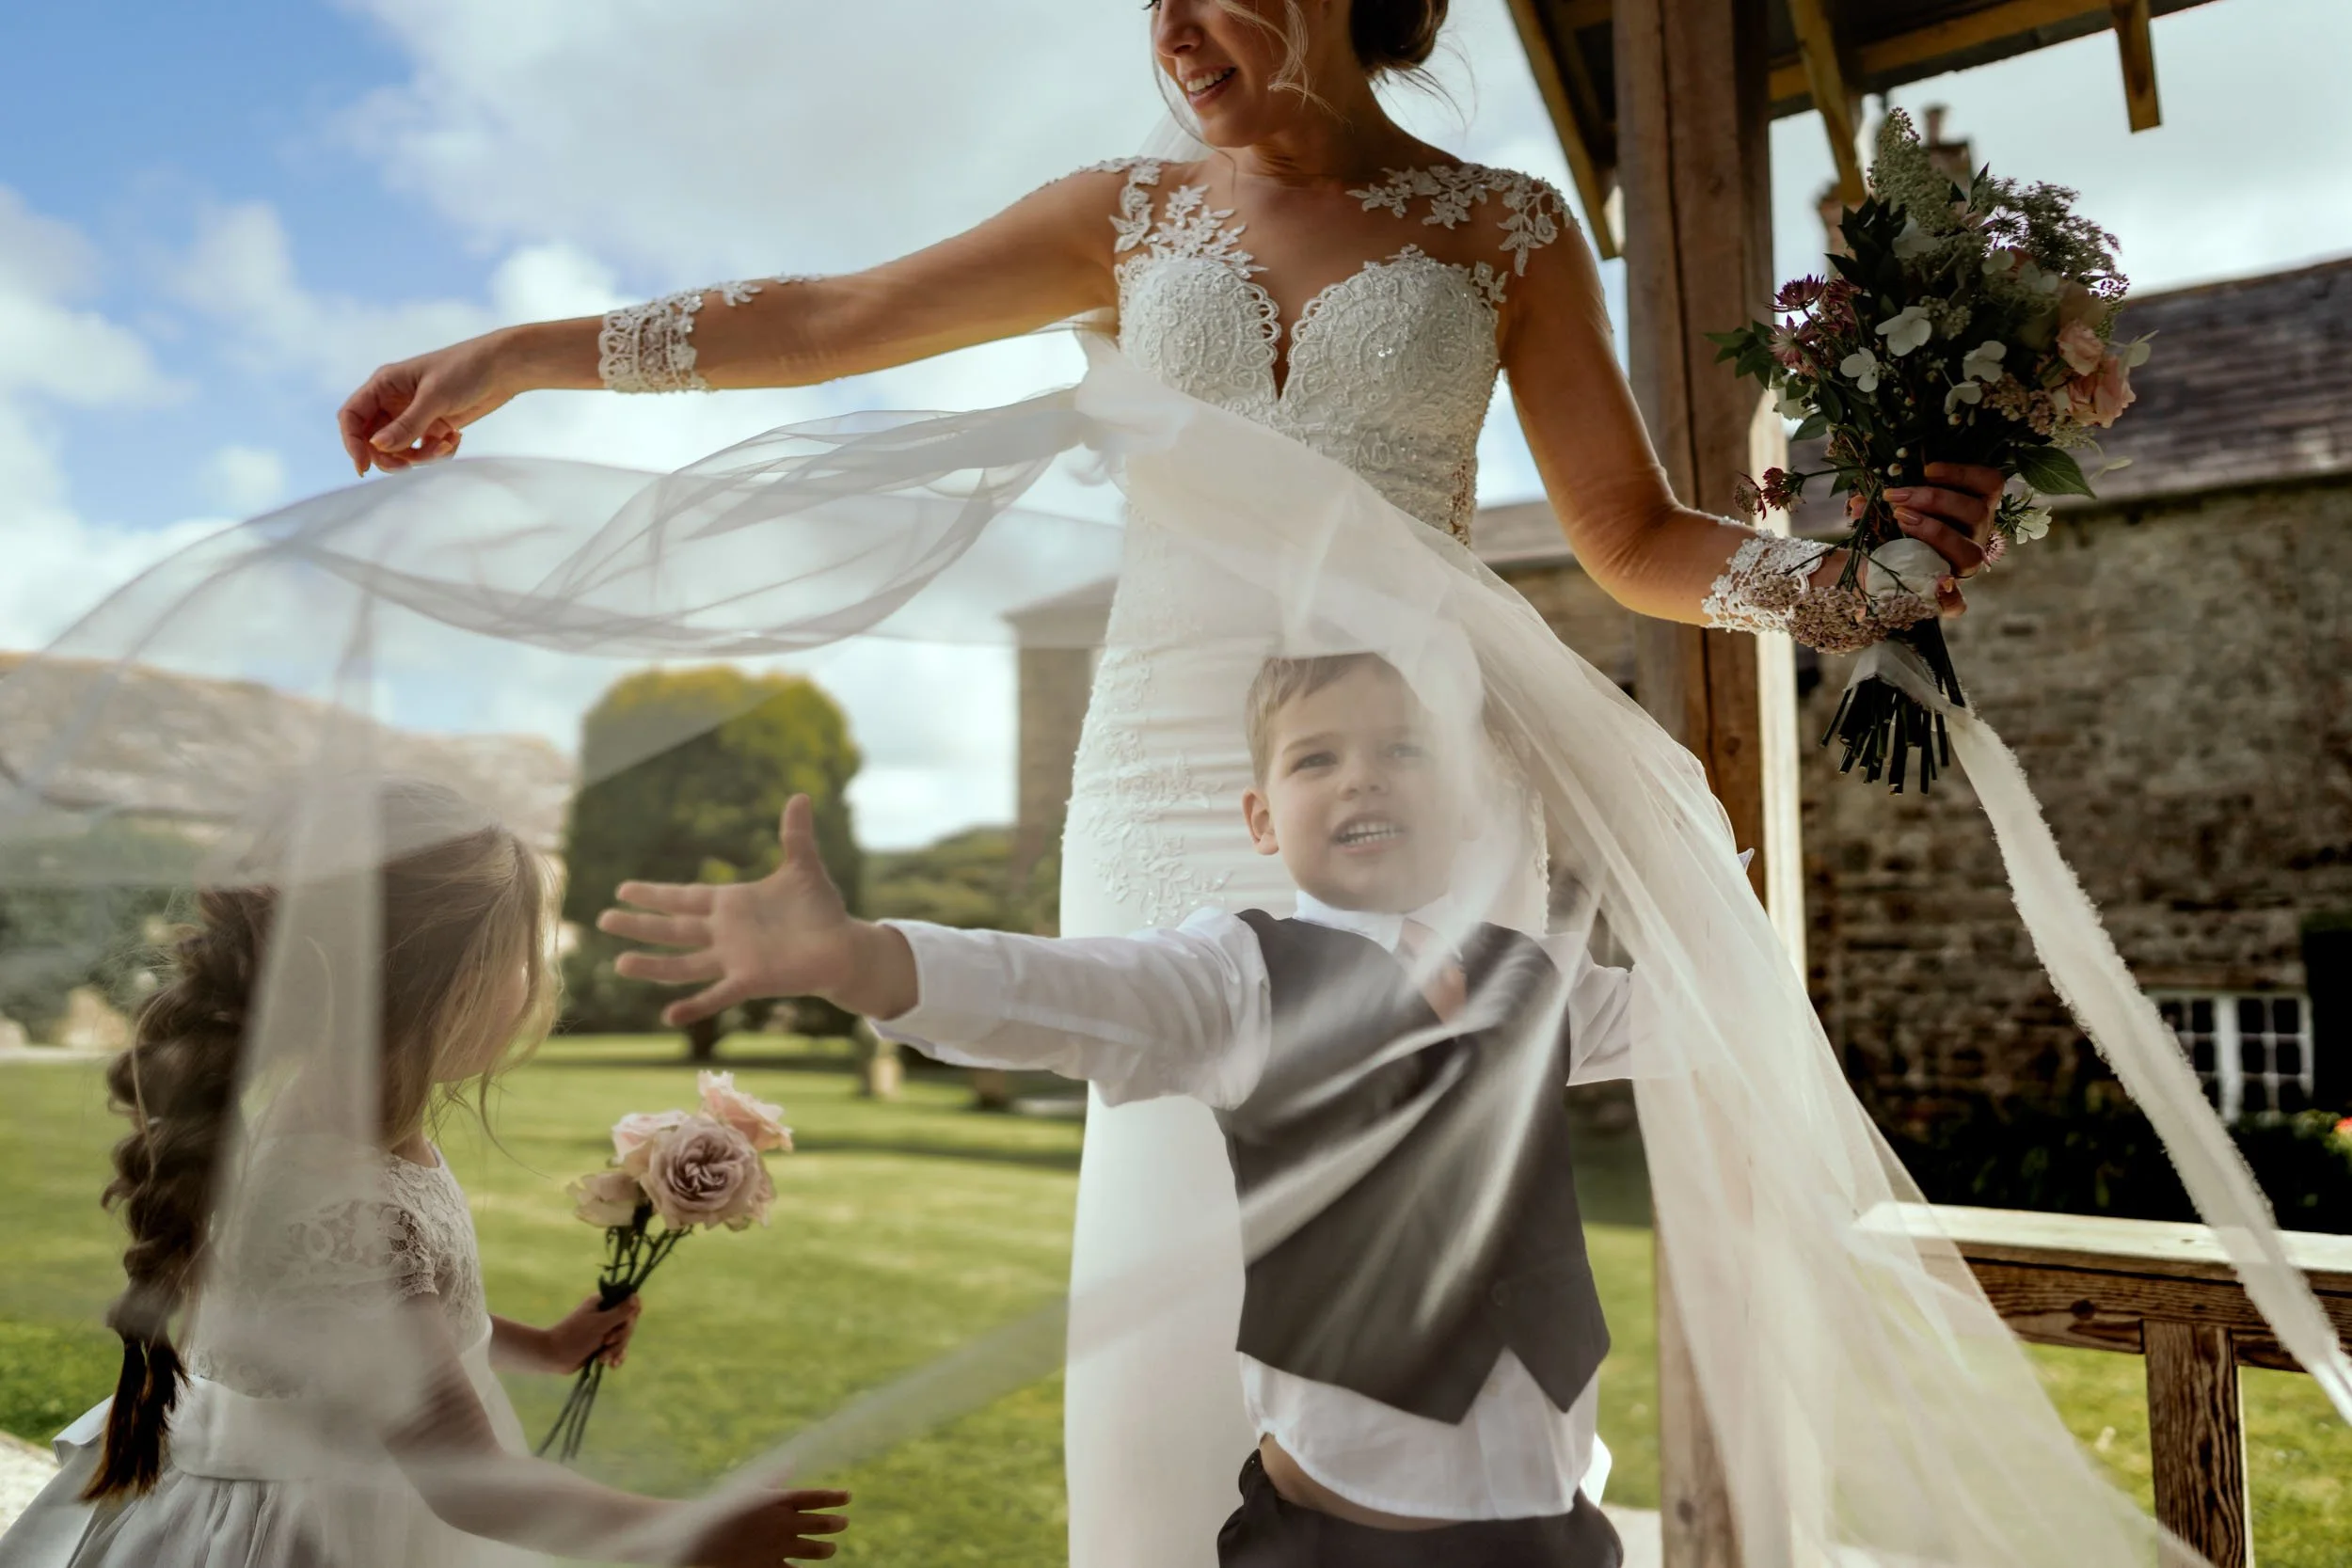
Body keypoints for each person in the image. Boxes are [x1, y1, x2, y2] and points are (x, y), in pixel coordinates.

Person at [329, 6, 2007, 1559]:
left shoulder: (1504, 228)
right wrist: (514, 355)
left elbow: (1631, 538)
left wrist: (1856, 584)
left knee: (1422, 1238)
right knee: (1172, 1239)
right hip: (1157, 774)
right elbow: (830, 319)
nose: (1175, 31)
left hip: (1411, 783)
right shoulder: (1125, 214)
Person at [597, 651, 1634, 1566]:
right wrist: (864, 959)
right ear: (1262, 818)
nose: (1360, 772)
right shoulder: (1243, 976)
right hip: (1346, 1541)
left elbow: (1705, 1023)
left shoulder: (1534, 975)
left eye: (1403, 749)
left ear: (1464, 801)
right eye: (1315, 757)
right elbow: (1060, 991)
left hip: (1555, 1521)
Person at [0, 780, 851, 1568]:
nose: (538, 981)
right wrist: (686, 1532)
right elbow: (463, 1476)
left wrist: (543, 1346)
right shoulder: (344, 1200)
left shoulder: (351, 1135)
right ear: (436, 982)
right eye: (522, 953)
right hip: (321, 1529)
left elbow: (390, 1320)